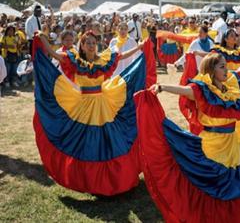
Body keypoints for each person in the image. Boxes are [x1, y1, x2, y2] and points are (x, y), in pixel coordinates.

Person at [135, 52, 240, 222]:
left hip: (231, 144)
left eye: (225, 66)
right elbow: (184, 90)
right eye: (222, 66)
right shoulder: (201, 90)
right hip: (212, 145)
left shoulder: (230, 84)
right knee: (214, 184)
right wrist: (162, 87)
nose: (226, 69)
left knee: (229, 182)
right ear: (211, 70)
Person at [32, 30, 156, 195]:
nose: (91, 46)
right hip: (83, 106)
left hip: (104, 104)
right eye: (88, 43)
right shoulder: (75, 60)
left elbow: (122, 56)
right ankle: (89, 180)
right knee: (85, 143)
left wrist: (139, 47)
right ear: (82, 45)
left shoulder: (103, 60)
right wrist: (41, 38)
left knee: (109, 139)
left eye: (93, 43)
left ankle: (115, 178)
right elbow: (54, 54)